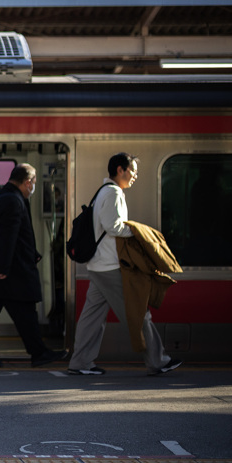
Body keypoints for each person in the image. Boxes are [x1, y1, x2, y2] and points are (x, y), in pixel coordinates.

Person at [67, 153, 183, 376]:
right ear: (120, 170)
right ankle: (157, 361)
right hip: (110, 266)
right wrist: (141, 232)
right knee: (137, 311)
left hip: (98, 265)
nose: (135, 176)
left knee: (91, 317)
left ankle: (80, 362)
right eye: (133, 171)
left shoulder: (103, 192)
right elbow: (113, 227)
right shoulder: (113, 193)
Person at [0, 163, 66, 368]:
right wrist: (3, 268)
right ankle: (37, 352)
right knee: (19, 311)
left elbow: (15, 236)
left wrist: (32, 254)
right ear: (27, 182)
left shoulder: (5, 196)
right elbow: (7, 236)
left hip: (1, 270)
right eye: (33, 183)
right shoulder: (12, 200)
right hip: (8, 272)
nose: (33, 188)